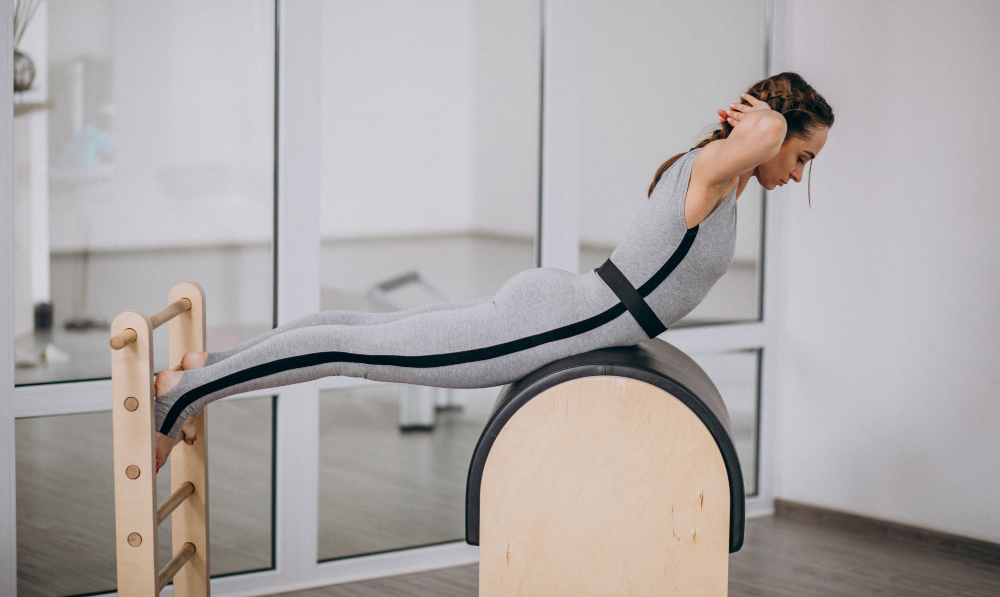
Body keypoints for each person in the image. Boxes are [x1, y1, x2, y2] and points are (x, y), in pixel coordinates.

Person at [153, 71, 834, 470]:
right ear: (771, 129)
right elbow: (766, 137)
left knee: (357, 330)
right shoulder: (715, 173)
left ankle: (205, 364)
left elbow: (766, 141)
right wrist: (769, 119)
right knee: (350, 346)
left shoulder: (728, 182)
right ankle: (180, 394)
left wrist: (770, 124)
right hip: (555, 321)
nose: (800, 173)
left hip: (560, 307)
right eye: (803, 156)